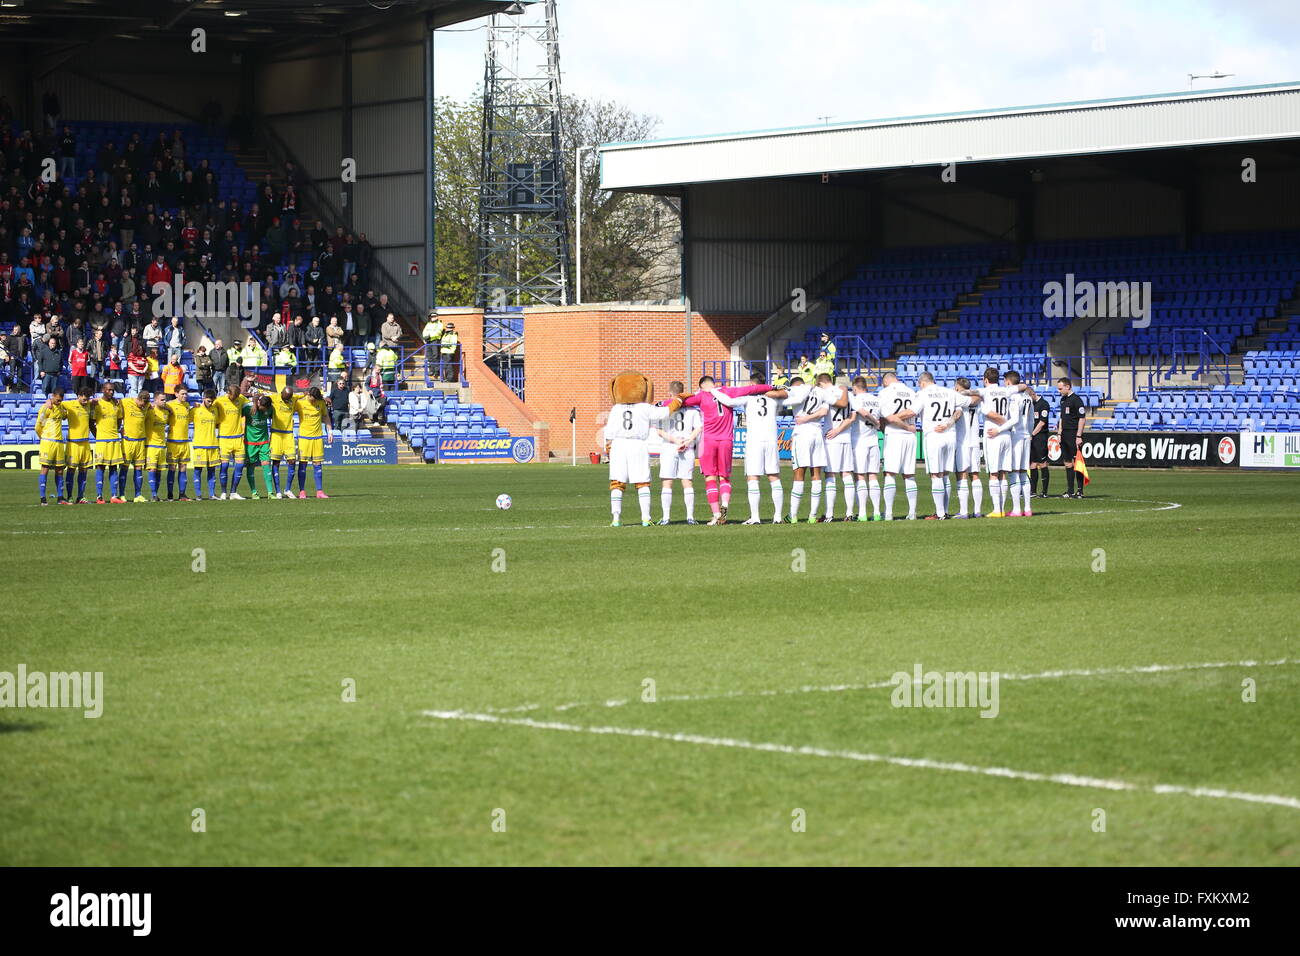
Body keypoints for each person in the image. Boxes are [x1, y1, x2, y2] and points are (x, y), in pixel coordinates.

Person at [679, 375, 776, 525]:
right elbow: (753, 388)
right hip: (726, 440)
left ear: (702, 386)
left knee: (710, 477)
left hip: (708, 441)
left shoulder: (701, 396)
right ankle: (725, 504)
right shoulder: (728, 391)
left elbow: (682, 402)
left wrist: (665, 402)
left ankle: (716, 514)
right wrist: (771, 387)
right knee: (724, 477)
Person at [604, 389, 675, 527]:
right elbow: (664, 412)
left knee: (617, 482)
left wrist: (608, 447)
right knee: (642, 481)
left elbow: (610, 430)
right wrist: (678, 401)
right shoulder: (644, 406)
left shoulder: (616, 408)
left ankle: (616, 518)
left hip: (619, 444)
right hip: (637, 444)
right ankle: (645, 518)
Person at [780, 374, 839, 523]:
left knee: (799, 474)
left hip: (802, 433)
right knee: (816, 474)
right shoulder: (820, 391)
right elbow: (830, 406)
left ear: (795, 385)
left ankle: (792, 516)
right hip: (817, 433)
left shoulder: (797, 391)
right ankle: (812, 516)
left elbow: (785, 400)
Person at [732, 373, 787, 524]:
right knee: (774, 477)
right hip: (770, 440)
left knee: (753, 478)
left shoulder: (747, 398)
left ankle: (755, 517)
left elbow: (729, 399)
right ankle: (777, 516)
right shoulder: (774, 397)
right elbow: (788, 393)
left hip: (754, 441)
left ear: (753, 384)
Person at [915, 372, 971, 520]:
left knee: (936, 474)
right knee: (945, 474)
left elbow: (913, 412)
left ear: (922, 383)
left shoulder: (923, 393)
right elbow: (965, 405)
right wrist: (947, 424)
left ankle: (940, 513)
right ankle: (944, 511)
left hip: (934, 435)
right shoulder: (949, 392)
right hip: (950, 435)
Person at [972, 368, 1018, 519]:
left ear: (985, 379)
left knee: (993, 472)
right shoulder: (1005, 391)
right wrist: (1005, 425)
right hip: (1006, 435)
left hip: (993, 434)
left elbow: (985, 410)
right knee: (1003, 472)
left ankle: (997, 510)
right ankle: (1002, 509)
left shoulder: (985, 392)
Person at [654, 381, 702, 525]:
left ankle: (666, 518)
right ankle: (690, 517)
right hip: (687, 447)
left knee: (667, 482)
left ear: (670, 392)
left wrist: (675, 440)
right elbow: (698, 428)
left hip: (670, 447)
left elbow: (659, 431)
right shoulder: (693, 410)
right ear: (683, 392)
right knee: (687, 482)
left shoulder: (665, 409)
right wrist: (687, 441)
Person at [876, 370, 919, 520]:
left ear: (886, 381)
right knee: (909, 474)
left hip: (894, 434)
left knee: (890, 473)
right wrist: (909, 428)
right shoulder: (912, 392)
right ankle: (912, 512)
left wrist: (900, 426)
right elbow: (914, 412)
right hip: (911, 436)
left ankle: (888, 513)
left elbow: (887, 418)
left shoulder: (884, 392)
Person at [847, 376, 883, 521]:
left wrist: (875, 421)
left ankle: (862, 513)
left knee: (860, 476)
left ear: (855, 387)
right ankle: (876, 512)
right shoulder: (876, 399)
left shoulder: (856, 399)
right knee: (873, 476)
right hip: (873, 440)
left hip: (859, 441)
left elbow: (864, 413)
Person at [818, 376, 854, 521]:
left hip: (831, 437)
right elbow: (852, 416)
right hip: (846, 437)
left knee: (830, 475)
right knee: (846, 475)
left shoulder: (826, 394)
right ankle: (850, 513)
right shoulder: (848, 393)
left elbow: (824, 412)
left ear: (821, 383)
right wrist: (841, 429)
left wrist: (836, 430)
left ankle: (829, 515)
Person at [952, 377, 985, 519]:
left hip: (962, 440)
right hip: (975, 441)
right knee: (975, 475)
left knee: (962, 474)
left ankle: (964, 511)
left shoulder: (957, 398)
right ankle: (977, 511)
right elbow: (979, 397)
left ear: (958, 387)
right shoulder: (976, 399)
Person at [292, 387, 333, 499]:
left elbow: (326, 417)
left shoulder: (321, 402)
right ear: (308, 395)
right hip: (304, 438)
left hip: (318, 437)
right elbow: (289, 410)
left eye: (315, 399)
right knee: (303, 464)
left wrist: (330, 432)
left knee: (317, 464)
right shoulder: (300, 403)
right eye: (312, 399)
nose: (314, 401)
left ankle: (319, 491)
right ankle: (302, 491)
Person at [90, 382, 126, 503]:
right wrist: (98, 435)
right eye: (109, 390)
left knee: (114, 467)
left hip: (114, 440)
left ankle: (114, 496)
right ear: (103, 390)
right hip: (102, 441)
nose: (111, 392)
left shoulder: (116, 404)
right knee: (101, 466)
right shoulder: (97, 404)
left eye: (112, 390)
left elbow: (120, 420)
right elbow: (91, 423)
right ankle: (99, 496)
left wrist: (114, 431)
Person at [214, 381, 250, 499]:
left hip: (238, 438)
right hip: (224, 439)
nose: (234, 399)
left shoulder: (241, 398)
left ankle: (233, 492)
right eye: (232, 397)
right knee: (224, 466)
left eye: (236, 397)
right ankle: (224, 492)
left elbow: (249, 405)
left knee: (239, 467)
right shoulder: (219, 401)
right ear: (227, 393)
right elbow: (210, 409)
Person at [60, 387, 95, 504]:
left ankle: (81, 496)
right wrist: (49, 401)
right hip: (73, 443)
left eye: (87, 399)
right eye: (83, 398)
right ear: (78, 396)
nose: (85, 401)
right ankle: (69, 496)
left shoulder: (89, 405)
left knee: (84, 470)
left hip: (85, 442)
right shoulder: (70, 404)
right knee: (71, 469)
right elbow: (59, 403)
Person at [36, 387, 68, 505]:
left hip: (59, 442)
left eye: (61, 400)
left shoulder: (60, 407)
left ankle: (60, 497)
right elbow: (38, 426)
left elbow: (65, 415)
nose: (59, 402)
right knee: (45, 469)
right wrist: (43, 438)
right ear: (53, 396)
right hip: (48, 442)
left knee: (59, 470)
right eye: (57, 400)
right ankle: (43, 498)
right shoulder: (46, 408)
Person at [190, 388, 223, 500]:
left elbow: (218, 423)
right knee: (198, 470)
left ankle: (212, 494)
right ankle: (198, 495)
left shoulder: (215, 410)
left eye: (212, 401)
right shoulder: (195, 410)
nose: (210, 403)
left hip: (213, 444)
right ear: (203, 398)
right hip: (200, 444)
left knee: (212, 471)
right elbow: (184, 419)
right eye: (208, 401)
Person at [1057, 377, 1087, 499]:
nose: (1059, 391)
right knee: (1067, 462)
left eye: (1060, 388)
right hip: (1064, 434)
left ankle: (1080, 490)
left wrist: (1079, 435)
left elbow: (1082, 418)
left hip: (1074, 434)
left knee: (1077, 462)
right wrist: (1059, 433)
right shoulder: (1063, 400)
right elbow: (1062, 418)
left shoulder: (1077, 400)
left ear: (1068, 386)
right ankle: (1070, 490)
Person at [241, 395, 276, 499]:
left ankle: (270, 493)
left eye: (266, 409)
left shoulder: (270, 409)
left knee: (266, 465)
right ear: (259, 404)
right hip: (250, 443)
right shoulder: (248, 409)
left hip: (264, 442)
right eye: (263, 408)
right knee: (250, 466)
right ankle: (254, 492)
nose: (264, 410)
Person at [120, 388, 151, 502]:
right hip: (128, 441)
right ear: (139, 399)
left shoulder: (147, 406)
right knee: (125, 467)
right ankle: (122, 494)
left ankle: (138, 495)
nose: (144, 406)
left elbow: (154, 405)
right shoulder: (126, 402)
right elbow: (115, 403)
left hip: (140, 441)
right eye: (143, 403)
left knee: (139, 468)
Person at [268, 387, 299, 498]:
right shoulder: (274, 397)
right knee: (276, 462)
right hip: (276, 435)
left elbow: (305, 394)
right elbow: (262, 399)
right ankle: (278, 491)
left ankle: (287, 489)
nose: (286, 401)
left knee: (292, 461)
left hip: (288, 435)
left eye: (288, 399)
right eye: (285, 398)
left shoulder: (294, 398)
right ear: (281, 393)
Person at [165, 385, 194, 501]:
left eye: (186, 394)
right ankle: (170, 495)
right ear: (176, 394)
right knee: (172, 468)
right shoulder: (169, 405)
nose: (184, 396)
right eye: (182, 394)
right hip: (173, 442)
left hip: (185, 441)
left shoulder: (187, 406)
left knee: (183, 468)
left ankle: (182, 494)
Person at [144, 391, 172, 501]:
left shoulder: (166, 412)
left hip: (162, 445)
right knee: (152, 469)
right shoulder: (149, 411)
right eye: (162, 400)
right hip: (151, 445)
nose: (164, 402)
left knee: (159, 471)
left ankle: (156, 495)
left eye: (165, 399)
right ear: (155, 400)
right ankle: (153, 494)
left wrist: (169, 408)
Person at [1029, 386, 1051, 498]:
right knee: (1032, 464)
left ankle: (1044, 491)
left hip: (1040, 437)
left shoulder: (1044, 404)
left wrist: (1032, 434)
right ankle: (1032, 491)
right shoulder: (1030, 405)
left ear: (1033, 394)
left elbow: (1042, 422)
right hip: (1031, 437)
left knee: (1042, 463)